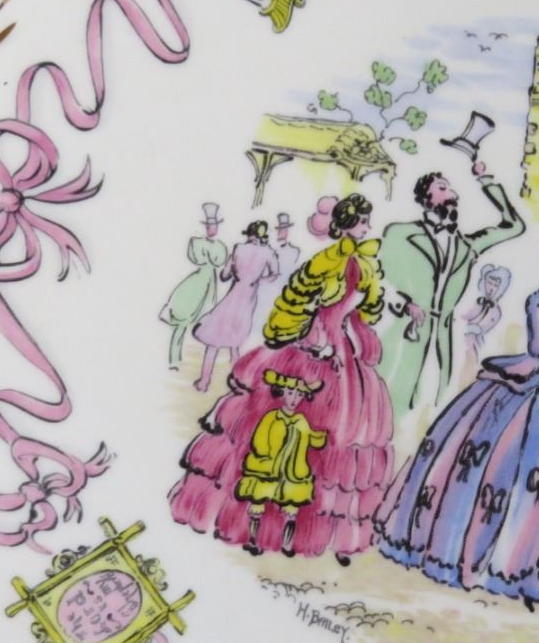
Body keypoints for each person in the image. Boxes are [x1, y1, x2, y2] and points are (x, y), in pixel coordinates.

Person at [373, 243, 539, 610]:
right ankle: (467, 553)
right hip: (525, 378)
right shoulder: (538, 300)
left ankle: (531, 562)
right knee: (494, 458)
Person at [170, 193, 394, 563]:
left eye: (367, 223)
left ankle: (322, 531)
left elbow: (369, 306)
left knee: (345, 431)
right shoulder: (327, 260)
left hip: (343, 347)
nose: (367, 228)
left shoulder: (366, 263)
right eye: (362, 222)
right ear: (345, 226)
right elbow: (298, 297)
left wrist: (361, 323)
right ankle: (259, 524)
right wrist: (310, 334)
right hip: (315, 343)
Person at [376, 163, 526, 412]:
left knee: (437, 402)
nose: (453, 194)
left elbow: (515, 226)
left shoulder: (467, 246)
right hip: (406, 331)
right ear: (426, 197)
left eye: (451, 189)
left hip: (443, 338)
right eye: (443, 188)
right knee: (392, 400)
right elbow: (378, 277)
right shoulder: (401, 233)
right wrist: (405, 304)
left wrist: (486, 180)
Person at [233, 372, 327, 556]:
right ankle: (253, 540)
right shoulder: (271, 417)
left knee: (291, 511)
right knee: (258, 505)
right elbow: (259, 440)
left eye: (299, 395)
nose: (294, 399)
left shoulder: (301, 421)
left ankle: (287, 545)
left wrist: (320, 438)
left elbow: (310, 439)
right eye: (290, 393)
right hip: (267, 470)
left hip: (292, 473)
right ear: (282, 392)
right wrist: (266, 456)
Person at [191, 219, 278, 391]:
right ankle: (238, 380)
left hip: (234, 296)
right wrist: (257, 280)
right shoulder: (268, 252)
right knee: (235, 343)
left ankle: (204, 382)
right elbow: (274, 274)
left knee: (214, 340)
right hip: (248, 299)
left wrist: (236, 272)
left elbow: (224, 275)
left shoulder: (239, 248)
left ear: (250, 234)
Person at [159, 203, 228, 369]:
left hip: (210, 284)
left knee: (205, 320)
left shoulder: (219, 246)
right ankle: (174, 359)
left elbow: (220, 261)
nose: (212, 229)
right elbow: (199, 258)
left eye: (215, 226)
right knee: (183, 319)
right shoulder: (197, 243)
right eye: (210, 226)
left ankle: (201, 360)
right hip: (197, 283)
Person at [458, 263, 513, 375]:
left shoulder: (495, 311)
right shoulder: (476, 303)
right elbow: (465, 316)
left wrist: (466, 328)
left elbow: (480, 328)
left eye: (495, 285)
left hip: (475, 342)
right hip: (462, 337)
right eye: (489, 283)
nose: (491, 288)